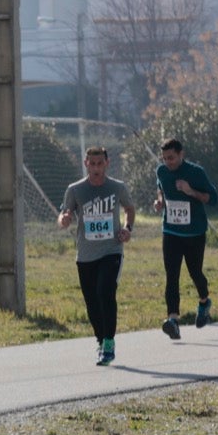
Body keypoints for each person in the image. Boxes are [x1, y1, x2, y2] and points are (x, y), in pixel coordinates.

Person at [58, 146, 135, 366]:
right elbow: (65, 212)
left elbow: (130, 208)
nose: (96, 168)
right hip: (85, 254)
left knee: (106, 292)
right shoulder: (75, 190)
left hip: (111, 250)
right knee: (92, 302)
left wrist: (128, 229)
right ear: (86, 164)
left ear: (107, 163)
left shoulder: (117, 187)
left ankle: (109, 342)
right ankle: (101, 341)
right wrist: (64, 219)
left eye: (100, 163)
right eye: (92, 164)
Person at [150, 138, 218, 340]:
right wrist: (160, 202)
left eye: (171, 158)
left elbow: (213, 198)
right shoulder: (161, 171)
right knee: (171, 275)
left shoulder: (196, 172)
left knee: (195, 272)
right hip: (171, 231)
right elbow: (160, 187)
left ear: (181, 154)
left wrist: (190, 191)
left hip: (194, 232)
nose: (168, 162)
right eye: (165, 158)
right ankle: (173, 320)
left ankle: (204, 302)